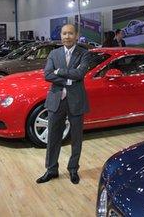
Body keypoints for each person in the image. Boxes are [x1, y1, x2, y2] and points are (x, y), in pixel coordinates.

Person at [37, 24, 90, 185]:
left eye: (70, 33)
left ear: (76, 35)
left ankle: (73, 169)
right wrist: (69, 78)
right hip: (56, 100)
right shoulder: (54, 53)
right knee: (53, 137)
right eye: (64, 33)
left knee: (76, 138)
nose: (67, 36)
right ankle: (51, 169)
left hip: (76, 101)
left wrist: (59, 72)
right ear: (61, 35)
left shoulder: (84, 54)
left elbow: (80, 73)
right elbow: (47, 75)